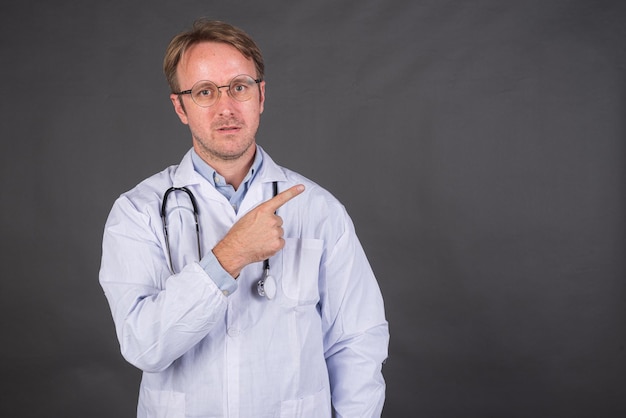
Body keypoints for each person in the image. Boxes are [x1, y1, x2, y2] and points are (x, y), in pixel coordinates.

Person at [99, 18, 389, 418]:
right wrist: (227, 257)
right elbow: (143, 345)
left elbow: (357, 342)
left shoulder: (319, 210)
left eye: (239, 87)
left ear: (261, 96)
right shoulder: (138, 211)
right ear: (180, 107)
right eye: (204, 92)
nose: (226, 107)